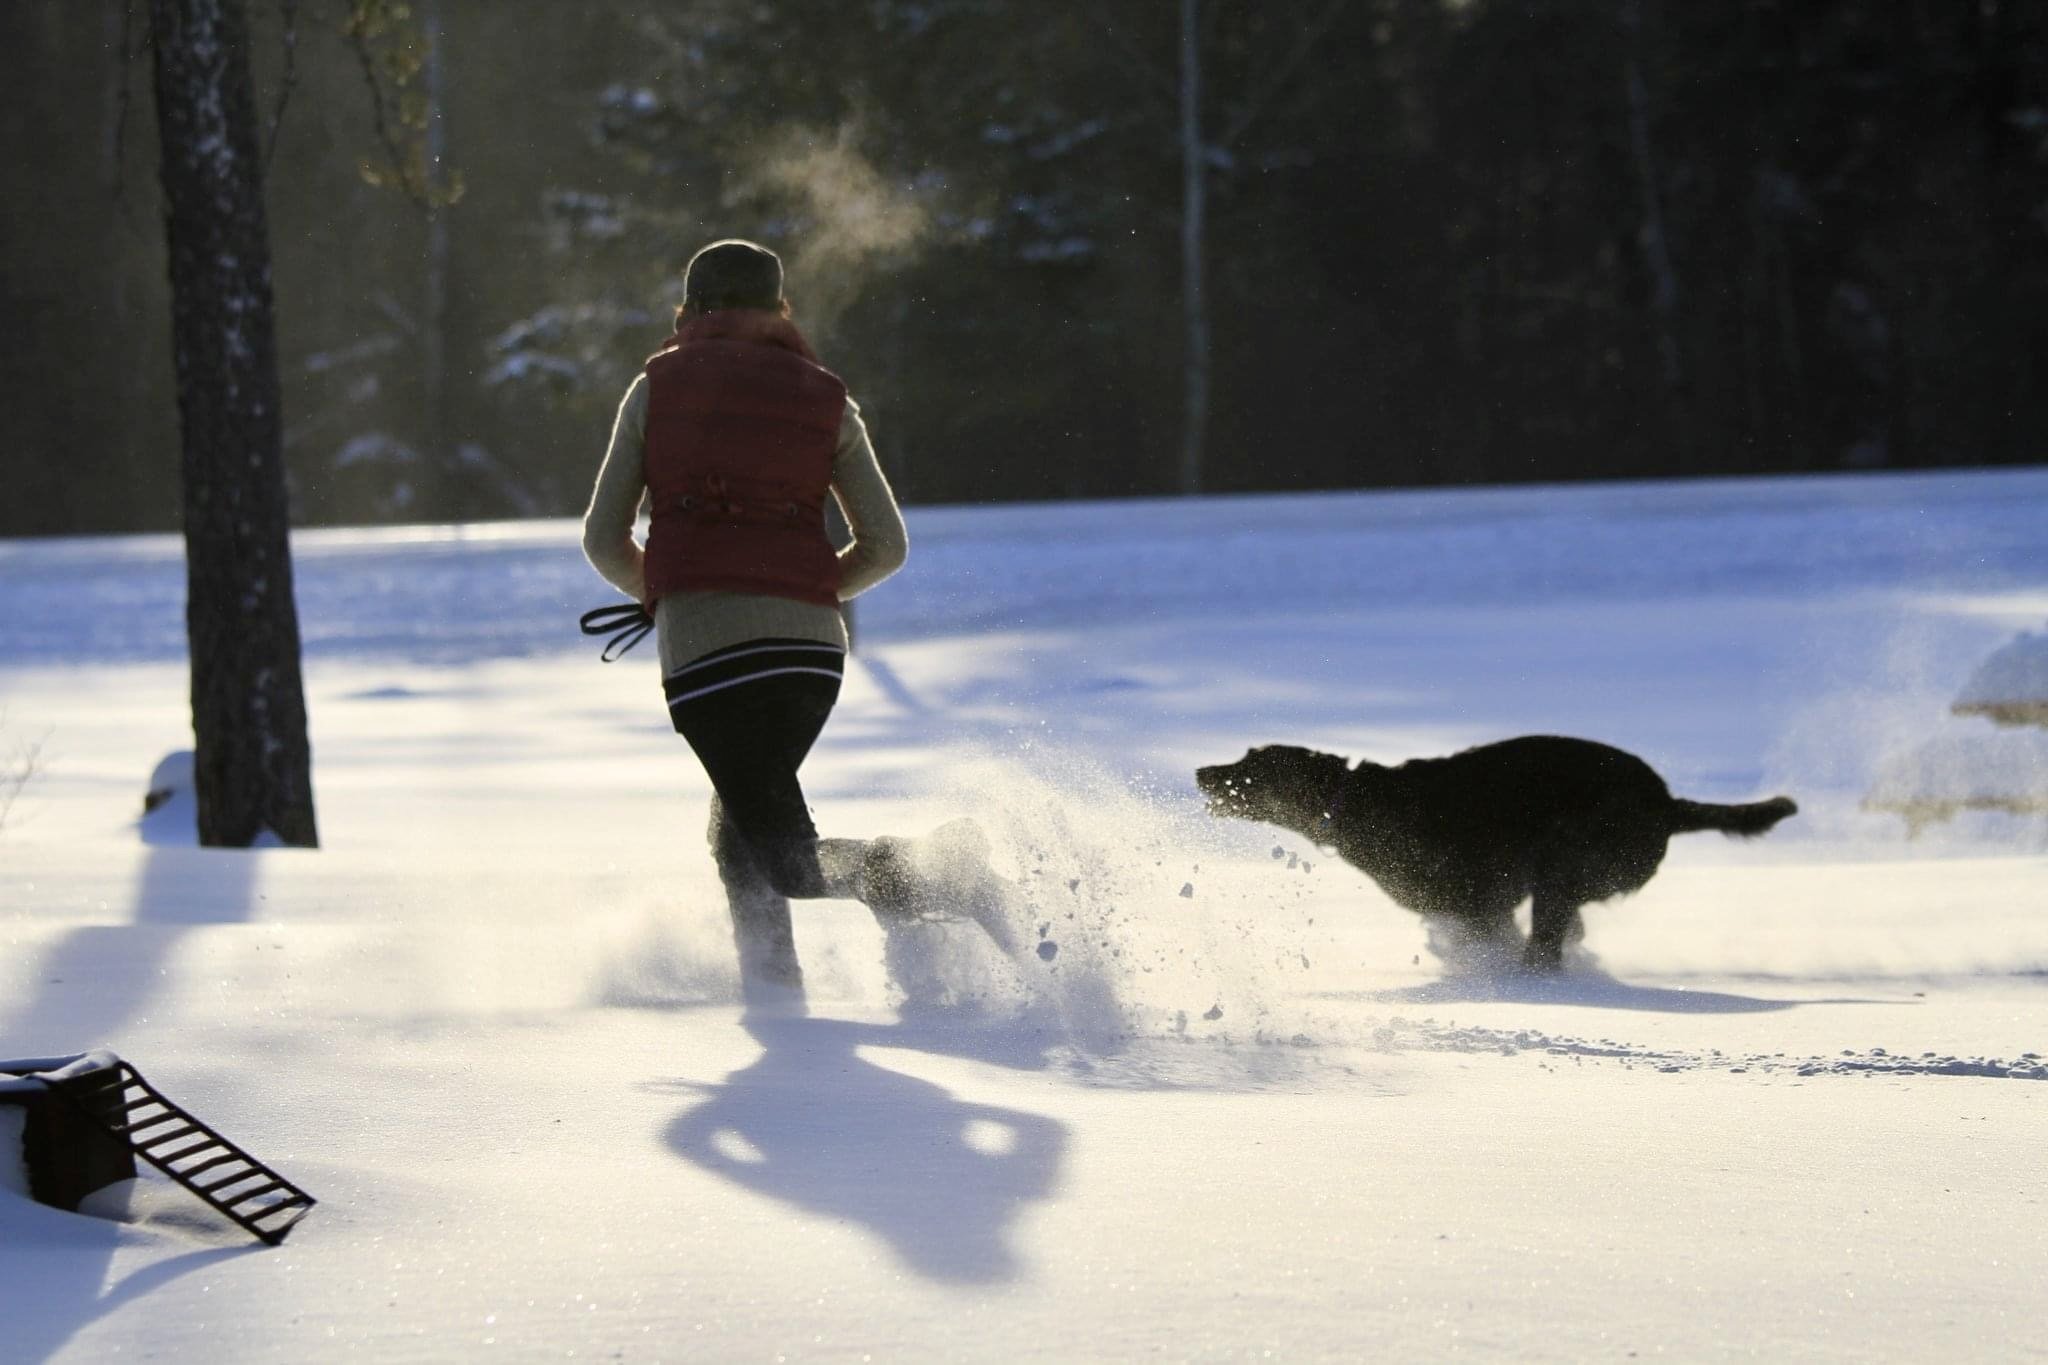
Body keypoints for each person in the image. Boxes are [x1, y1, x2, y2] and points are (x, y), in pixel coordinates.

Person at [581, 238, 991, 1011]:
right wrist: (806, 588)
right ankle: (775, 998)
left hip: (710, 659)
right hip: (811, 658)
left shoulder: (655, 390)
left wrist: (663, 591)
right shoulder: (826, 395)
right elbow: (888, 545)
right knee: (740, 832)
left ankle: (936, 876)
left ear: (689, 312)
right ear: (780, 310)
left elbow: (604, 539)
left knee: (783, 857)